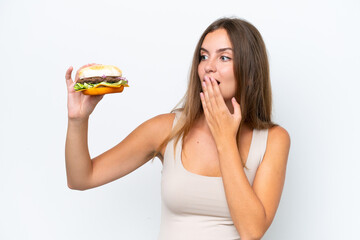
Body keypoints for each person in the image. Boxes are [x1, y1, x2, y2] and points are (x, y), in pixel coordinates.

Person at [65, 17, 290, 240]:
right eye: (203, 56)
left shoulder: (273, 140)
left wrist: (224, 139)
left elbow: (252, 231)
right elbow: (81, 178)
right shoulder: (167, 128)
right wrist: (77, 120)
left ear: (250, 75)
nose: (208, 67)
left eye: (224, 57)